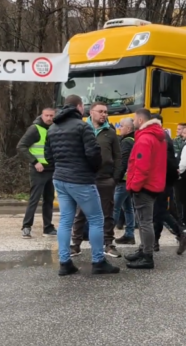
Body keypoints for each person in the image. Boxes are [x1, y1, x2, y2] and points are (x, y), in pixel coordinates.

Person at [46, 95, 118, 276]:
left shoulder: (52, 128)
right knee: (96, 219)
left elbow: (48, 156)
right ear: (79, 107)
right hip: (81, 179)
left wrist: (59, 168)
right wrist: (93, 171)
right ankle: (98, 261)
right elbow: (93, 154)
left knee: (65, 220)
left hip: (60, 178)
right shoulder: (82, 127)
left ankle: (65, 262)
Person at [71, 102, 122, 258]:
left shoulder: (110, 132)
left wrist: (115, 178)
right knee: (81, 212)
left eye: (106, 112)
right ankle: (76, 244)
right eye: (100, 111)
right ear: (91, 112)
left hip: (105, 179)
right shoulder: (81, 129)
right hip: (85, 178)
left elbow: (118, 157)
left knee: (107, 213)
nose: (104, 114)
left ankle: (108, 244)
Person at [123, 109, 167, 269]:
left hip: (144, 186)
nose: (133, 122)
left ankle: (147, 256)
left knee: (145, 222)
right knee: (143, 220)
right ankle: (143, 250)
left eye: (134, 119)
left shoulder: (145, 138)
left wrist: (134, 186)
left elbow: (141, 166)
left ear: (141, 120)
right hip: (153, 184)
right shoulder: (157, 136)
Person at [149, 114, 186, 254]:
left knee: (159, 211)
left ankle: (180, 234)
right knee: (158, 212)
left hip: (162, 180)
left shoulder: (161, 138)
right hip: (163, 180)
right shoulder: (163, 137)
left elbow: (167, 162)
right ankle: (155, 242)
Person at [16, 107, 57, 238]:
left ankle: (48, 227)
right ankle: (26, 226)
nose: (49, 118)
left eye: (51, 116)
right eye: (47, 115)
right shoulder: (35, 129)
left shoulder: (55, 128)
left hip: (52, 169)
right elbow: (21, 146)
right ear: (42, 116)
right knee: (34, 198)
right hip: (39, 170)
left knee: (49, 199)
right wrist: (35, 162)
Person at [114, 118, 137, 245]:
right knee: (128, 208)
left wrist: (116, 178)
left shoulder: (127, 141)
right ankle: (129, 235)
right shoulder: (133, 139)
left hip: (123, 181)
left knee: (114, 208)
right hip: (130, 180)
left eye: (121, 126)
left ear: (128, 128)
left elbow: (123, 162)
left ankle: (106, 236)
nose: (119, 128)